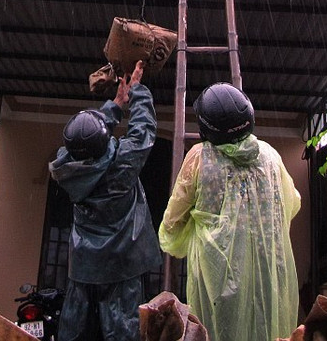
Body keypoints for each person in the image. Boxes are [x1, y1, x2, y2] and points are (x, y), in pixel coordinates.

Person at [159, 82, 301, 341]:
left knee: (218, 332)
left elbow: (172, 222)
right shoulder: (270, 157)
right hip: (268, 278)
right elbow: (292, 204)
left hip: (218, 281)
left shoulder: (200, 158)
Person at [49, 61, 161, 341]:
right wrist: (137, 91)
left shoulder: (64, 167)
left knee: (75, 332)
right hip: (121, 267)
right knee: (123, 332)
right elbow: (143, 131)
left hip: (83, 266)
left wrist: (115, 105)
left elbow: (86, 139)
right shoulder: (121, 167)